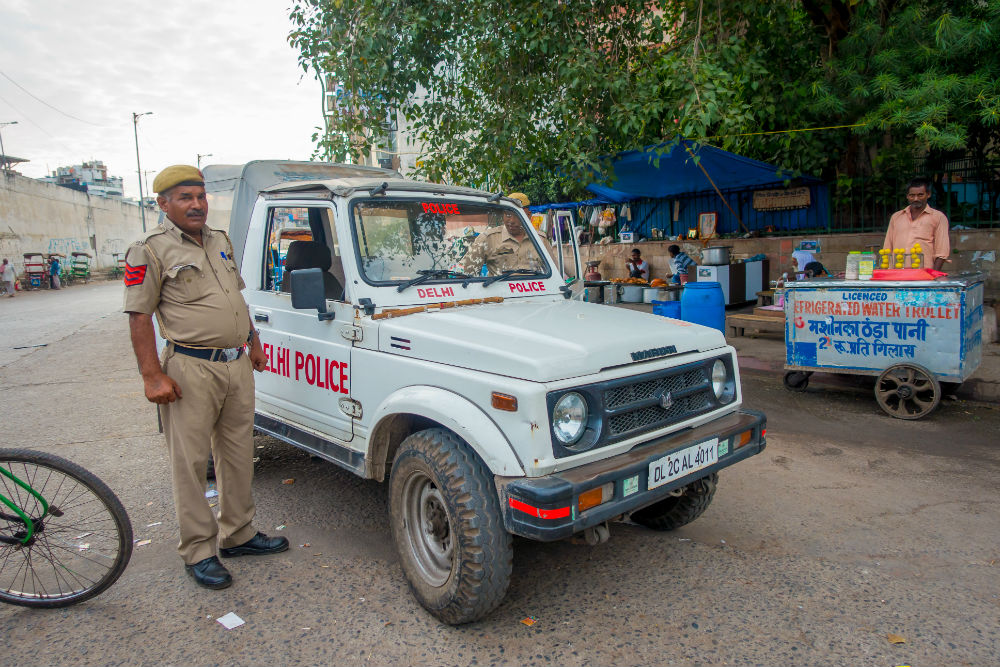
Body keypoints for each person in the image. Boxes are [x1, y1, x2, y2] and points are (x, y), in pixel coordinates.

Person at [123, 165, 287, 591]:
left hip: (236, 365)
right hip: (189, 368)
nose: (196, 204)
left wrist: (253, 340)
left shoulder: (219, 241)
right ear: (163, 203)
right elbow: (139, 316)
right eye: (184, 197)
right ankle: (198, 550)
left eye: (200, 196)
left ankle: (240, 534)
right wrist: (151, 375)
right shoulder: (149, 249)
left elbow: (236, 296)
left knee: (237, 455)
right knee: (191, 463)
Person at [460, 194, 553, 276]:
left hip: (537, 294)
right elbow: (466, 275)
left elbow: (554, 273)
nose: (511, 221)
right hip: (499, 295)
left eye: (517, 215)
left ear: (528, 216)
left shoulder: (540, 240)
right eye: (508, 215)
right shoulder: (487, 238)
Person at [883, 176, 951, 271]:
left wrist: (933, 275)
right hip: (897, 273)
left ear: (928, 194)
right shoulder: (896, 217)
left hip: (924, 273)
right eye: (912, 195)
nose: (916, 199)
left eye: (920, 195)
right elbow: (887, 247)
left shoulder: (938, 217)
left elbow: (942, 251)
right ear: (907, 196)